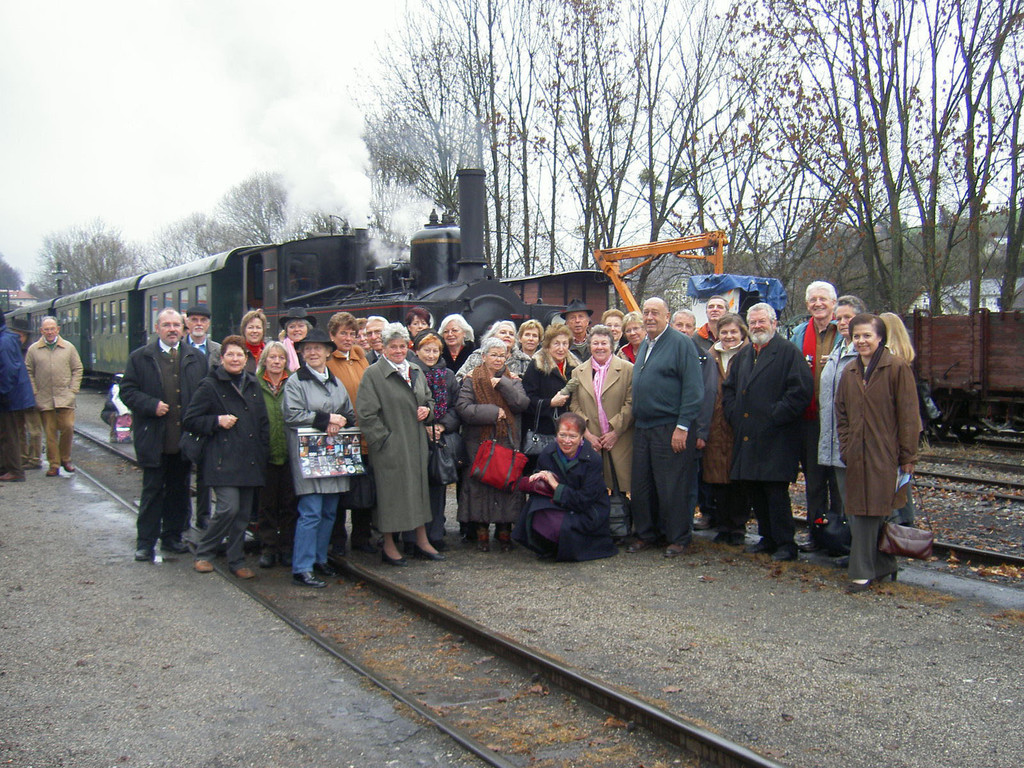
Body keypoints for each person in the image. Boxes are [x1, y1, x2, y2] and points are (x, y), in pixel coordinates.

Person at [836, 314, 921, 592]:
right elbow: (842, 414)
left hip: (886, 453)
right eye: (857, 336)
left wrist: (908, 456)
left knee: (878, 511)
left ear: (880, 338)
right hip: (856, 454)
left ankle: (866, 571)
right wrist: (847, 446)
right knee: (861, 511)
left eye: (867, 336)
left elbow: (908, 415)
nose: (861, 341)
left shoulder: (895, 368)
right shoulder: (849, 372)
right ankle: (877, 568)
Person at [722, 303, 813, 561]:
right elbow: (728, 389)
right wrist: (734, 414)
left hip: (777, 436)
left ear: (774, 323)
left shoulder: (787, 352)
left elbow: (801, 392)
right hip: (748, 435)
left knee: (775, 492)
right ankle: (767, 537)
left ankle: (785, 543)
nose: (757, 327)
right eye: (753, 323)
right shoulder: (745, 355)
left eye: (762, 322)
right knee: (755, 490)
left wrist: (774, 415)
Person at [120, 308, 207, 560]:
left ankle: (172, 537)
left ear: (184, 329)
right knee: (153, 490)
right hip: (155, 436)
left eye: (176, 325)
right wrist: (151, 405)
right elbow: (127, 391)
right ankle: (145, 543)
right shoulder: (141, 357)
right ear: (157, 328)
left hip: (183, 439)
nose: (172, 329)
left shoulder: (195, 358)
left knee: (179, 491)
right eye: (166, 325)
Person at [184, 335, 269, 579]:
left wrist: (262, 452)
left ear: (246, 359)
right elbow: (190, 420)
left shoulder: (253, 383)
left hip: (249, 459)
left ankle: (236, 559)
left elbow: (262, 422)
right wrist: (216, 421)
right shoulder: (209, 386)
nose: (235, 359)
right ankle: (205, 553)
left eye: (239, 355)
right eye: (230, 355)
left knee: (242, 514)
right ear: (221, 359)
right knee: (227, 508)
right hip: (222, 459)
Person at [356, 323, 442, 566]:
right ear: (383, 347)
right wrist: (384, 440)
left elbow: (429, 401)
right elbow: (366, 414)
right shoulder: (373, 374)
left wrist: (428, 410)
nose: (398, 350)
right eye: (392, 346)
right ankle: (389, 544)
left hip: (415, 444)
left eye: (402, 346)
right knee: (390, 496)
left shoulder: (415, 369)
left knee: (418, 492)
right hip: (390, 448)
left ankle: (421, 540)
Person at [627, 297, 704, 558]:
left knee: (672, 486)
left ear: (666, 316)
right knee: (643, 485)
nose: (649, 317)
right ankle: (647, 533)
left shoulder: (681, 344)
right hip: (644, 427)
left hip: (670, 426)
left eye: (655, 313)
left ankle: (678, 538)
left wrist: (682, 426)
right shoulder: (645, 345)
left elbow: (694, 389)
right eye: (645, 312)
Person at [283, 327, 355, 588]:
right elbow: (291, 414)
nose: (312, 352)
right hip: (308, 456)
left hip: (334, 456)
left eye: (318, 348)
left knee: (328, 512)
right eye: (307, 349)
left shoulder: (336, 382)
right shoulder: (295, 382)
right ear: (302, 353)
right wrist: (326, 420)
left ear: (327, 353)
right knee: (311, 511)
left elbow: (348, 412)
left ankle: (319, 558)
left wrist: (342, 420)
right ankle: (301, 567)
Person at [455, 337, 531, 551]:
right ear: (484, 356)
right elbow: (463, 408)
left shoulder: (513, 379)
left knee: (505, 486)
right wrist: (492, 412)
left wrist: (504, 384)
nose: (498, 359)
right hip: (479, 444)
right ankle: (481, 535)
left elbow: (521, 404)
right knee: (480, 488)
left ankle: (504, 534)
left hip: (507, 442)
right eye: (494, 355)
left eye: (502, 355)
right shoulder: (471, 379)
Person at [512, 412, 618, 561]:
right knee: (534, 508)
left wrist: (555, 484)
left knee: (564, 526)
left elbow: (584, 500)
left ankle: (564, 544)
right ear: (556, 435)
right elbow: (540, 484)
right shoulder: (548, 453)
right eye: (562, 435)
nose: (567, 441)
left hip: (585, 508)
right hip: (559, 503)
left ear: (582, 437)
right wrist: (538, 478)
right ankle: (548, 544)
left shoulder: (593, 460)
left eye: (572, 436)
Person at [790, 281, 842, 553]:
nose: (818, 304)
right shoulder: (799, 333)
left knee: (839, 481)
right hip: (809, 418)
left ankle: (839, 532)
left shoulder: (844, 331)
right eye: (813, 300)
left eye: (823, 299)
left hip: (838, 419)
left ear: (833, 303)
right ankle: (816, 530)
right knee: (814, 481)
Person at [817, 295, 867, 560]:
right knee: (846, 500)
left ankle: (864, 554)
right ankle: (851, 549)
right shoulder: (838, 349)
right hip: (835, 439)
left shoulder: (865, 352)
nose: (843, 322)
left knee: (859, 501)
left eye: (848, 317)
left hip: (855, 440)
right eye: (840, 318)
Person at [694, 312, 750, 545]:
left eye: (733, 332)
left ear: (742, 333)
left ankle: (737, 527)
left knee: (738, 480)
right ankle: (722, 524)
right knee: (716, 477)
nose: (728, 336)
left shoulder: (749, 355)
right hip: (715, 425)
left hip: (739, 425)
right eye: (724, 332)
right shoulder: (710, 356)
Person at [326, 311, 376, 555]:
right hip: (340, 434)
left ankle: (362, 537)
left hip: (364, 432)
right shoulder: (327, 361)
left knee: (363, 490)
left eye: (352, 333)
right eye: (342, 333)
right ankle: (336, 538)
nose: (348, 338)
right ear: (332, 336)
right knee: (339, 489)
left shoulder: (361, 358)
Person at [409, 329, 460, 551]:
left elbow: (456, 407)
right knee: (415, 489)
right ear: (417, 351)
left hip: (440, 438)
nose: (431, 355)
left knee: (438, 487)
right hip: (416, 436)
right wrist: (424, 427)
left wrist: (440, 425)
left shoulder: (448, 375)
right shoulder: (409, 373)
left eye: (435, 351)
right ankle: (412, 537)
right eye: (426, 350)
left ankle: (436, 533)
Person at [567, 324, 634, 495]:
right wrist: (587, 434)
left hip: (621, 440)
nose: (600, 347)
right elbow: (574, 404)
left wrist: (615, 432)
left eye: (604, 343)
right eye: (595, 343)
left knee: (623, 494)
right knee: (593, 490)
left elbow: (632, 403)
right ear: (589, 346)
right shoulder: (577, 372)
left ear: (612, 346)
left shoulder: (628, 370)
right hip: (591, 441)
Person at [880, 311, 924, 527]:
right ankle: (903, 524)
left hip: (893, 433)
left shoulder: (893, 365)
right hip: (901, 432)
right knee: (900, 484)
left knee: (895, 483)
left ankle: (898, 528)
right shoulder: (904, 361)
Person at [256, 341, 297, 568]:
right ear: (265, 360)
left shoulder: (293, 383)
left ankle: (287, 547)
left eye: (281, 358)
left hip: (290, 452)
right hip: (266, 453)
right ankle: (268, 547)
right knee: (267, 504)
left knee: (290, 504)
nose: (276, 362)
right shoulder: (255, 384)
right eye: (272, 357)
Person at [25, 316, 83, 477]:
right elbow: (28, 371)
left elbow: (78, 369)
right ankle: (54, 464)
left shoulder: (68, 348)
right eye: (46, 329)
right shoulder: (33, 350)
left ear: (57, 329)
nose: (49, 332)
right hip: (44, 398)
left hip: (65, 397)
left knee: (68, 428)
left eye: (52, 329)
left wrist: (73, 390)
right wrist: (34, 391)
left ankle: (65, 458)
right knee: (50, 433)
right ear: (41, 331)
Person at [184, 304, 220, 528]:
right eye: (194, 319)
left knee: (206, 470)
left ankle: (204, 516)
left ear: (208, 324)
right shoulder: (179, 348)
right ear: (187, 322)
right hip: (185, 414)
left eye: (203, 320)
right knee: (182, 468)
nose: (198, 324)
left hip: (210, 417)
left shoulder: (217, 349)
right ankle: (182, 516)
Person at [523, 324, 580, 445]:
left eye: (564, 344)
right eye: (556, 343)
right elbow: (527, 400)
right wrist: (550, 403)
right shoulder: (536, 366)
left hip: (570, 431)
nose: (561, 348)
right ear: (548, 345)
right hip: (544, 431)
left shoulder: (576, 367)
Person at [0, 310, 36, 483]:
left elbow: (8, 370)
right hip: (10, 393)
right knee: (5, 432)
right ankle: (7, 467)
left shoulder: (4, 341)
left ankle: (15, 470)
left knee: (9, 433)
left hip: (8, 395)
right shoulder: (6, 338)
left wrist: (3, 392)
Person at [9, 316, 43, 469]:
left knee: (34, 430)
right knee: (18, 429)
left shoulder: (33, 351)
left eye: (20, 335)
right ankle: (22, 457)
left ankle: (35, 458)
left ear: (26, 335)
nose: (18, 338)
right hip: (15, 396)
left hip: (31, 396)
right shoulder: (10, 349)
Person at [456, 320, 531, 380]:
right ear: (492, 336)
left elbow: (530, 388)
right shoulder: (476, 357)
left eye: (511, 334)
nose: (507, 335)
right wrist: (466, 379)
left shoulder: (524, 361)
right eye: (503, 332)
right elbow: (458, 379)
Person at [280, 307, 315, 372]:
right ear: (286, 331)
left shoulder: (315, 349)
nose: (296, 330)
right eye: (292, 326)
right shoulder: (280, 350)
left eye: (301, 326)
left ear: (308, 329)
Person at [240, 309, 269, 374]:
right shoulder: (238, 351)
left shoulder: (269, 351)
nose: (255, 331)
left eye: (258, 327)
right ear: (244, 330)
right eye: (250, 327)